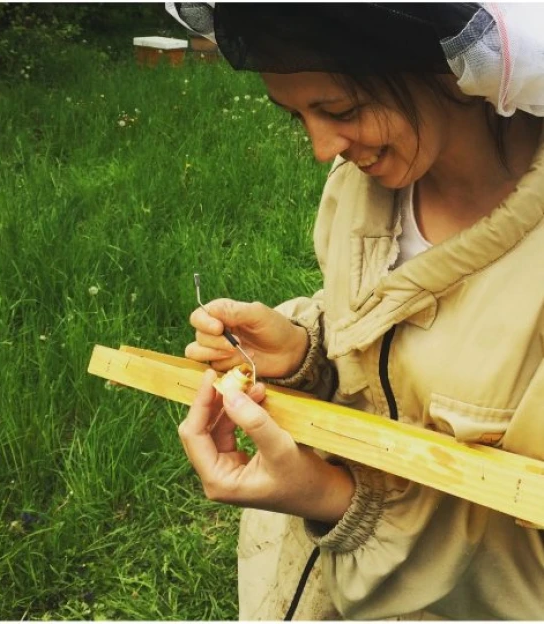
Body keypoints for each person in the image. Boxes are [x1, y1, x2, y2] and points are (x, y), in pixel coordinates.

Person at [168, 3, 544, 620]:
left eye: (341, 110)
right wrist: (304, 350)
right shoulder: (360, 188)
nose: (322, 150)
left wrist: (334, 500)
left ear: (447, 70)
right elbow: (391, 350)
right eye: (297, 117)